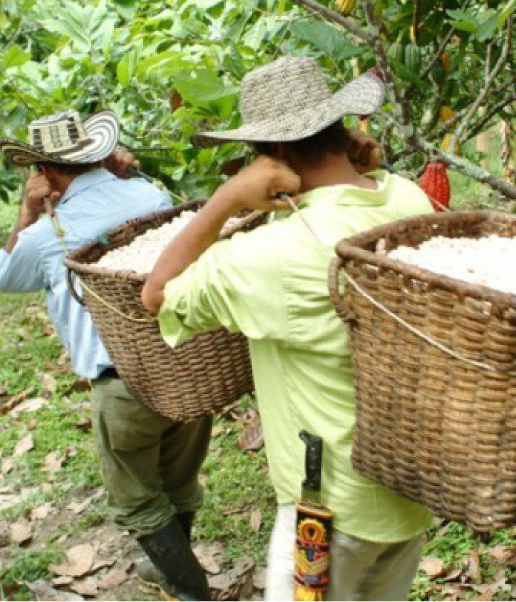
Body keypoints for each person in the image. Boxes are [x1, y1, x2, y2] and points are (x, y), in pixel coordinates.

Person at [142, 56, 434, 601]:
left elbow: (156, 293)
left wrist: (227, 198)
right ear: (336, 129)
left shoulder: (271, 255)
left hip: (329, 514)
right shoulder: (407, 198)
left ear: (271, 154)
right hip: (409, 488)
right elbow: (348, 199)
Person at [0, 109, 212, 601]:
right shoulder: (150, 195)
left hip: (122, 385)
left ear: (45, 172)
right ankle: (173, 572)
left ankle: (194, 591)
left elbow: (4, 277)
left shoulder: (46, 234)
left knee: (136, 499)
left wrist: (26, 214)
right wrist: (124, 176)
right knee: (178, 480)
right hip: (188, 363)